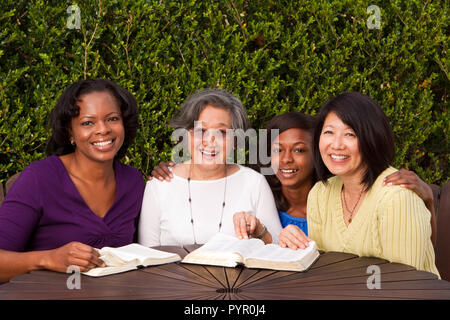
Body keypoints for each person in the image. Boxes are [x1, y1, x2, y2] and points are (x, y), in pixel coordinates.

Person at [151, 111, 436, 251]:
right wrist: (174, 171)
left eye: (299, 150)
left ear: (316, 154)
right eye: (277, 150)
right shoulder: (264, 195)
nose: (286, 160)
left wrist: (428, 201)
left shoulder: (334, 197)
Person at [0, 79, 145, 282]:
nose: (103, 129)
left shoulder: (134, 181)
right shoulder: (38, 179)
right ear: (70, 132)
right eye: (88, 122)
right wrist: (48, 258)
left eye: (112, 119)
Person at [306, 92, 439, 277]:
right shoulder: (320, 194)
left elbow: (403, 284)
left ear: (372, 138)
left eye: (350, 134)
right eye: (329, 132)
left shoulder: (397, 196)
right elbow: (319, 272)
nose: (336, 145)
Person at [137, 89, 282, 247]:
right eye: (201, 130)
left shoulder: (254, 183)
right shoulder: (160, 184)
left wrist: (259, 230)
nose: (210, 140)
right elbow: (148, 255)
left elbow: (278, 248)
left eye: (222, 132)